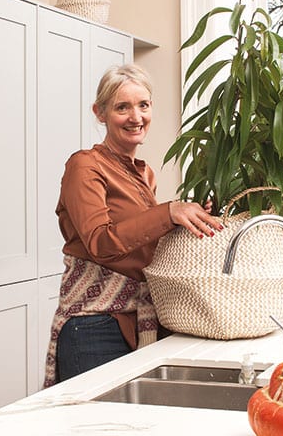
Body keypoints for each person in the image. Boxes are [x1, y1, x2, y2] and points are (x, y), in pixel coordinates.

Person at [44, 63, 222, 388]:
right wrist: (168, 213)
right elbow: (100, 241)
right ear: (100, 113)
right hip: (93, 325)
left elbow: (139, 242)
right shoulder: (84, 165)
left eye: (143, 105)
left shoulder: (144, 174)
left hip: (135, 322)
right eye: (122, 107)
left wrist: (185, 218)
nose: (136, 117)